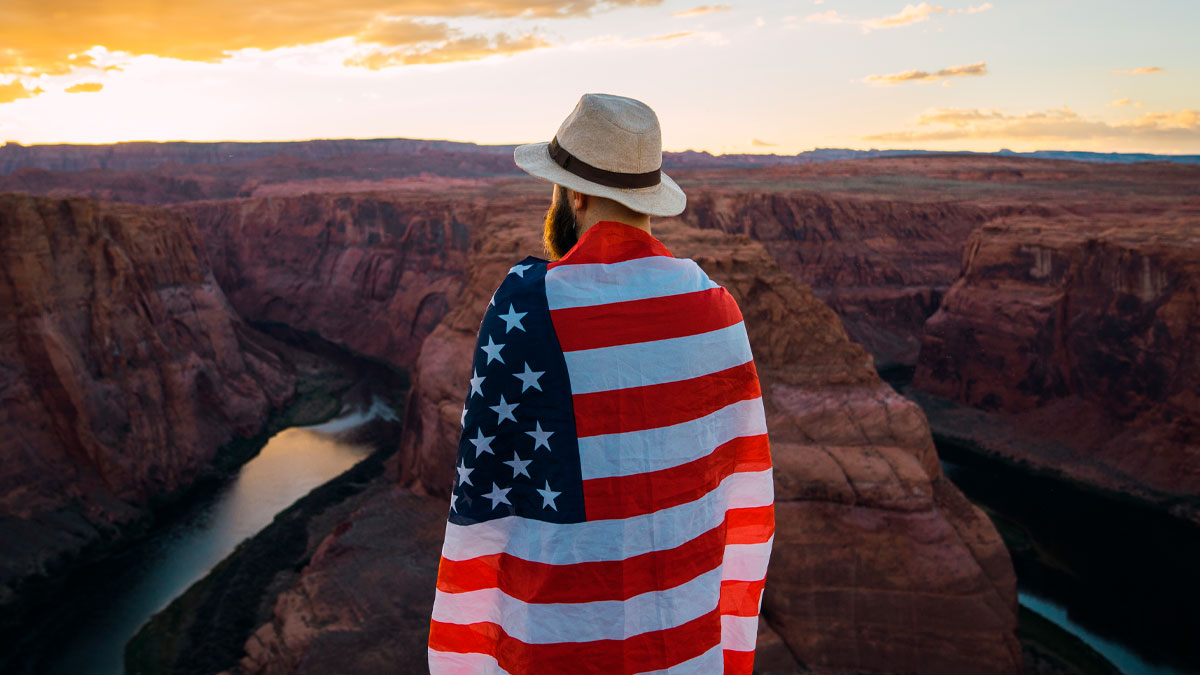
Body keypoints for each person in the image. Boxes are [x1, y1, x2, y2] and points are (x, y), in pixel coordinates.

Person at [428, 93, 775, 674]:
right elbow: (738, 486)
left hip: (561, 646)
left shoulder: (529, 303)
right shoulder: (718, 310)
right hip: (683, 647)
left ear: (575, 193)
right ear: (647, 196)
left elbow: (487, 493)